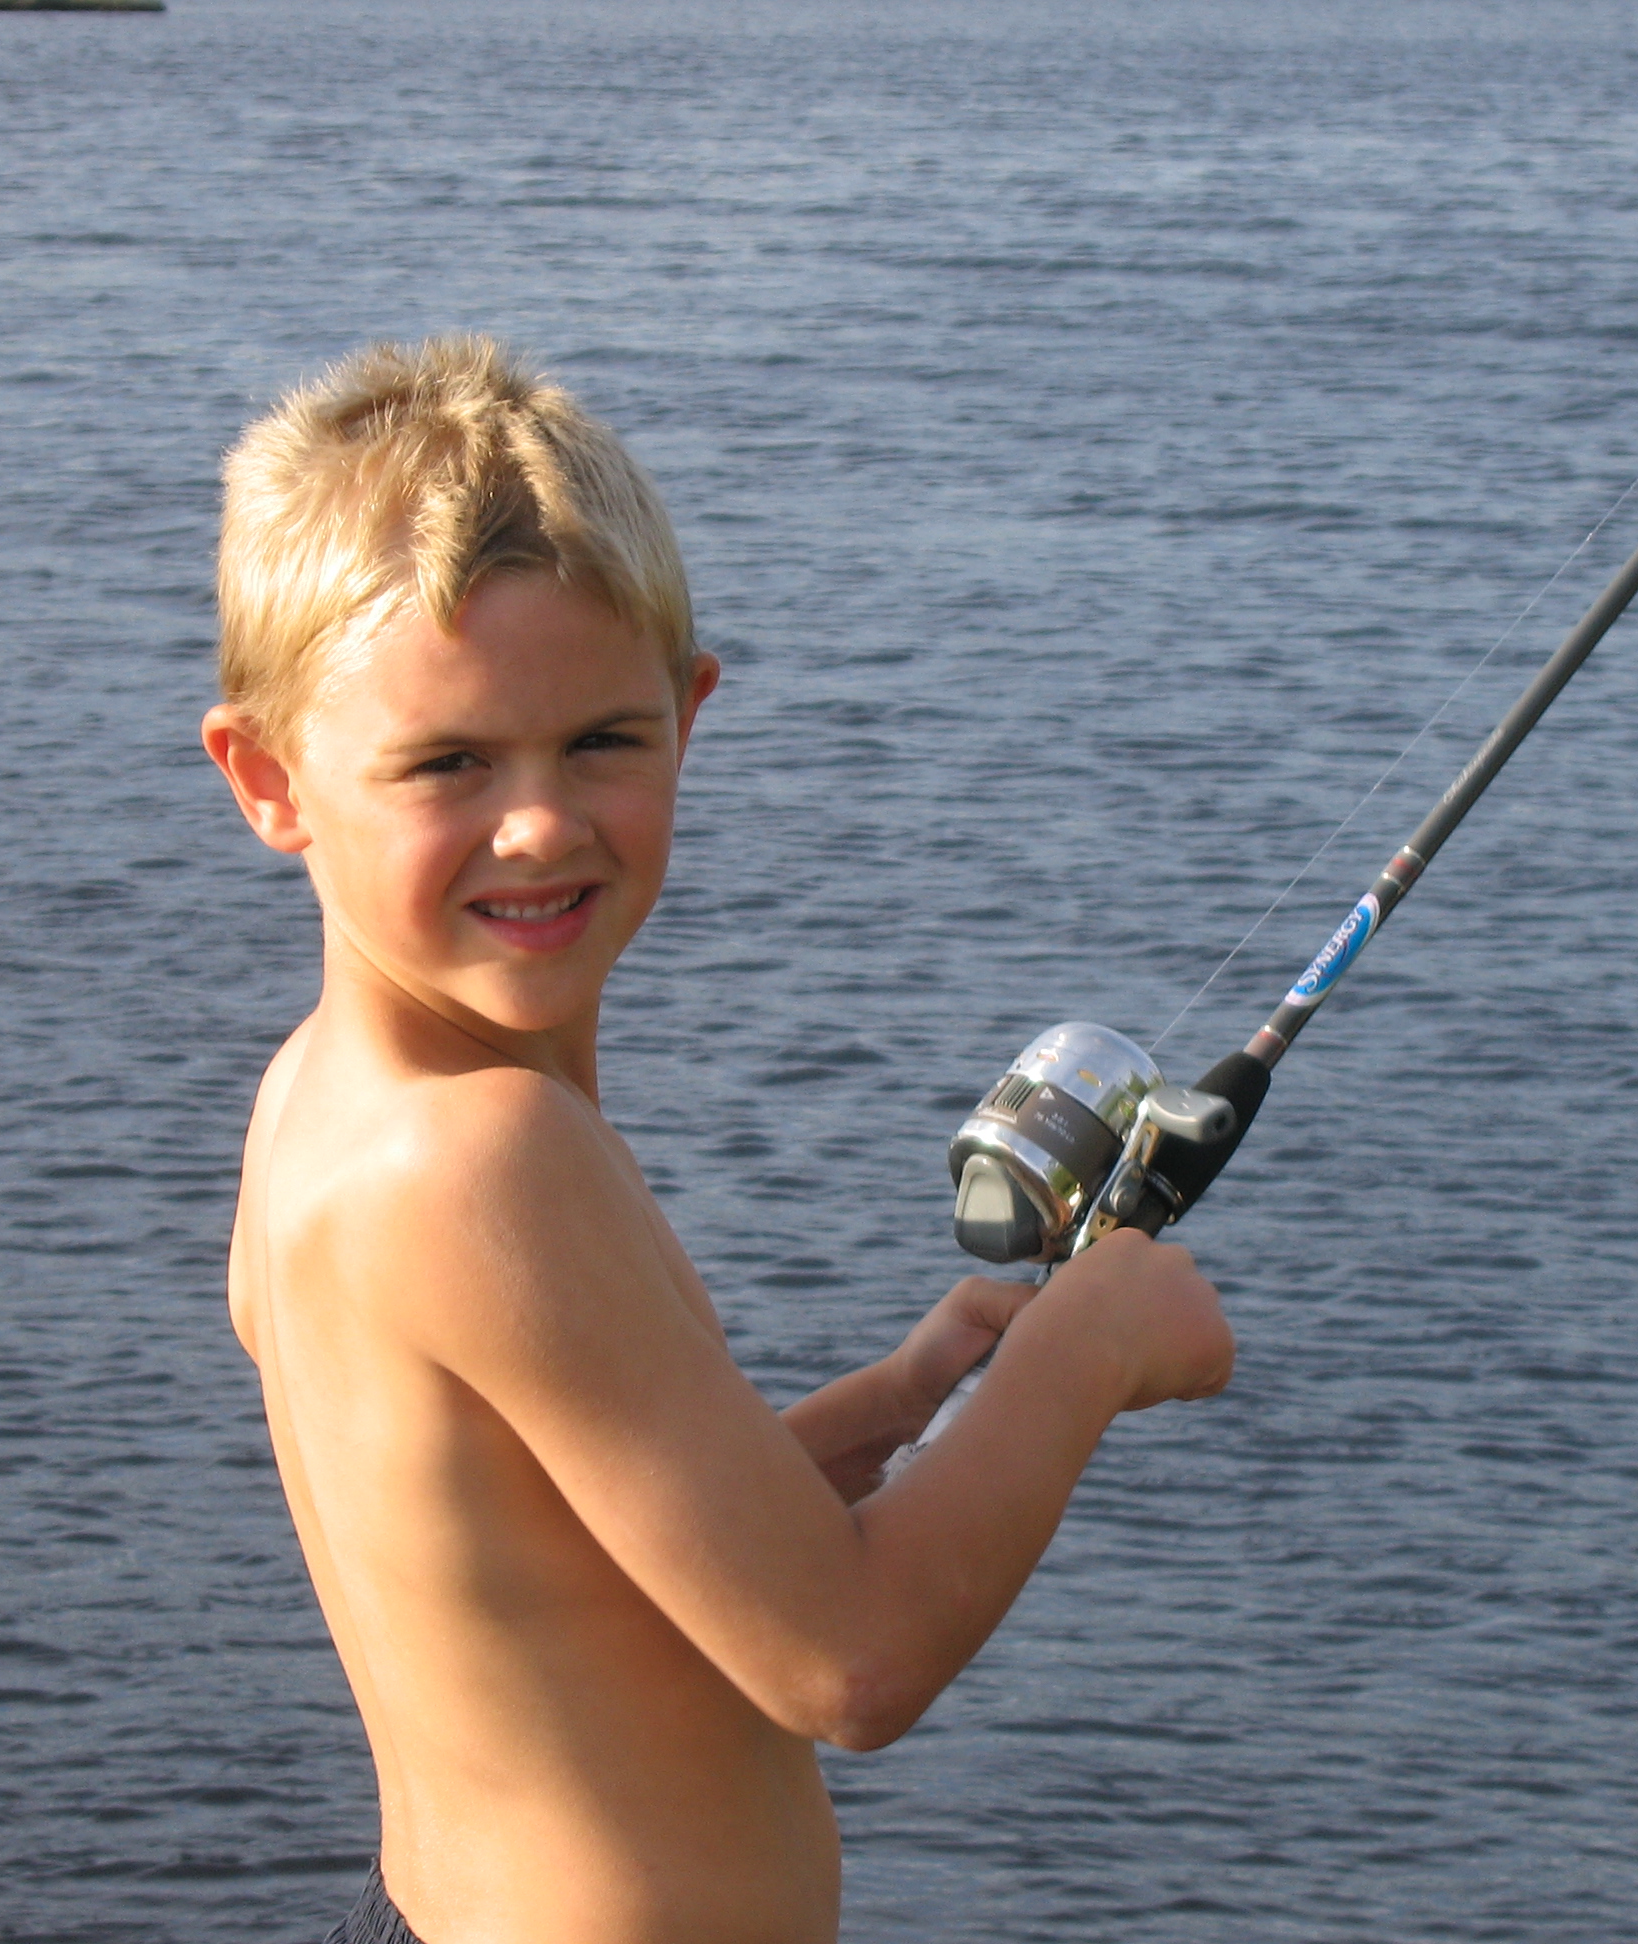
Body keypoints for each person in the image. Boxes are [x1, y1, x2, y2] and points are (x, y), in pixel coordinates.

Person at [200, 335, 1234, 1944]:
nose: (539, 821)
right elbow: (850, 1663)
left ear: (689, 715)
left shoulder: (325, 1100)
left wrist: (901, 1403)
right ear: (271, 781)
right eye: (450, 763)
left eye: (600, 742)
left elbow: (595, 1570)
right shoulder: (481, 1159)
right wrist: (1091, 1346)